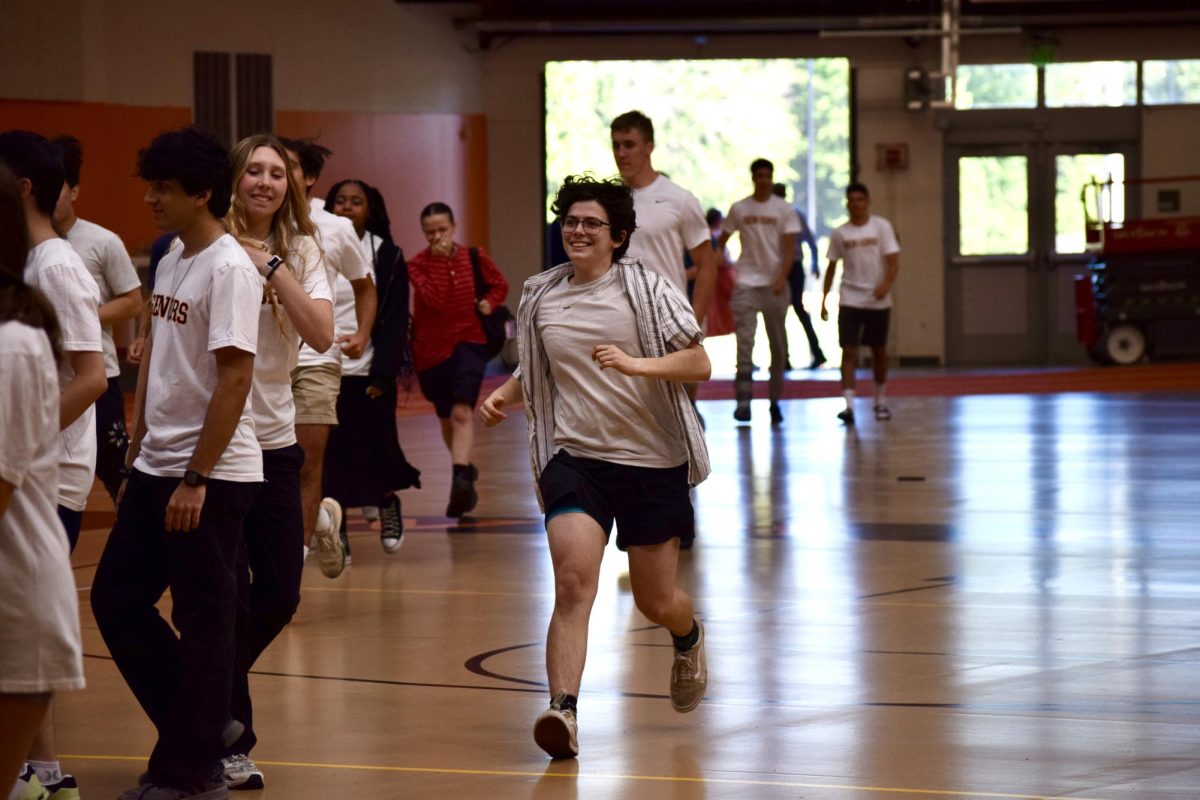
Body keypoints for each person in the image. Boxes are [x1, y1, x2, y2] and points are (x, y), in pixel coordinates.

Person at [479, 175, 710, 760]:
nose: (577, 231)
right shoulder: (541, 294)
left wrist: (637, 366)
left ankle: (687, 636)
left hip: (653, 462)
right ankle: (564, 711)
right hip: (575, 457)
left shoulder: (647, 288)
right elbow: (537, 370)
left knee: (655, 602)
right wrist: (505, 396)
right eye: (571, 221)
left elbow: (700, 361)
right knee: (574, 582)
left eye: (591, 224)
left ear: (619, 237)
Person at [90, 126, 263, 800]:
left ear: (202, 192)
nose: (150, 197)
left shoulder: (228, 267)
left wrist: (196, 476)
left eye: (163, 187)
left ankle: (187, 771)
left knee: (205, 615)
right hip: (157, 465)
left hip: (210, 474)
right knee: (116, 600)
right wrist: (139, 450)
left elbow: (234, 382)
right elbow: (163, 365)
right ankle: (206, 726)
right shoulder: (168, 261)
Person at [220, 134, 334, 792]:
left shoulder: (304, 251)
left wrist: (269, 266)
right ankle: (233, 740)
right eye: (253, 171)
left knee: (281, 595)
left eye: (276, 174)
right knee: (228, 599)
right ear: (234, 179)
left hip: (275, 440)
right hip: (219, 446)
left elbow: (321, 334)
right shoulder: (206, 246)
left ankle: (203, 680)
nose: (265, 182)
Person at [0, 129, 105, 800]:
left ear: (23, 186)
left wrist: (24, 445)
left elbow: (92, 376)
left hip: (52, 475)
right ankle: (44, 773)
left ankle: (43, 771)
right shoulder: (30, 267)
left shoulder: (56, 267)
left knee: (24, 634)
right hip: (36, 464)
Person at [277, 137, 375, 576]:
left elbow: (364, 285)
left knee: (304, 462)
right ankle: (320, 517)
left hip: (317, 359)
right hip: (264, 362)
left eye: (289, 167)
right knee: (264, 464)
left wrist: (363, 333)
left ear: (310, 177)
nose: (275, 176)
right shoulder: (247, 222)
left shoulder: (334, 228)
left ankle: (290, 568)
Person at [322, 178, 421, 552]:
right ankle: (338, 529)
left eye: (356, 201)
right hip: (323, 367)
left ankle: (388, 501)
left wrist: (384, 371)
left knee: (377, 447)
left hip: (368, 370)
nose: (347, 207)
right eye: (340, 201)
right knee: (333, 454)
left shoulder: (386, 254)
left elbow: (396, 319)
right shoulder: (312, 249)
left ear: (371, 209)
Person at [53, 135, 145, 501]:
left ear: (74, 191)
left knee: (113, 467)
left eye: (57, 189)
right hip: (51, 376)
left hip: (98, 373)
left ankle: (135, 536)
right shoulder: (24, 242)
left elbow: (132, 302)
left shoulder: (102, 241)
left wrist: (79, 316)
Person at [408, 202, 507, 518]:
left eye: (442, 229)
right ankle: (464, 466)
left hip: (470, 341)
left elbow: (499, 285)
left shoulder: (474, 256)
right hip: (431, 352)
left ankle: (460, 482)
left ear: (453, 226)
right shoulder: (418, 266)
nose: (437, 236)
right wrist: (437, 261)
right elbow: (434, 301)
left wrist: (489, 304)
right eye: (430, 232)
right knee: (446, 417)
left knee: (463, 411)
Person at [715, 159, 799, 425]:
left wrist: (781, 278)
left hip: (774, 285)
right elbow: (722, 240)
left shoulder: (783, 209)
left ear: (772, 179)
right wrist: (718, 263)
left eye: (767, 176)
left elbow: (789, 250)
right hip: (746, 283)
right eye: (758, 175)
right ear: (752, 178)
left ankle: (775, 401)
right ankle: (743, 401)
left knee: (778, 345)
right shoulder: (740, 208)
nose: (763, 179)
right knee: (744, 343)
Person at [821, 182, 900, 425]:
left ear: (867, 202)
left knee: (878, 351)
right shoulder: (840, 233)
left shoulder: (881, 227)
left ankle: (880, 400)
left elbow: (893, 261)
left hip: (877, 300)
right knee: (849, 350)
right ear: (847, 204)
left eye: (860, 200)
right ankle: (849, 405)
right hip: (850, 298)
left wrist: (885, 285)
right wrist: (824, 299)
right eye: (851, 200)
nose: (856, 204)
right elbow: (832, 266)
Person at [772, 181, 826, 369]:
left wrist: (815, 262)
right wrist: (814, 262)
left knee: (794, 310)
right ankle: (783, 358)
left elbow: (810, 240)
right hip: (780, 266)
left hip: (792, 265)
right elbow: (811, 241)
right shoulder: (774, 213)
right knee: (781, 312)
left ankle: (814, 353)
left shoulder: (794, 213)